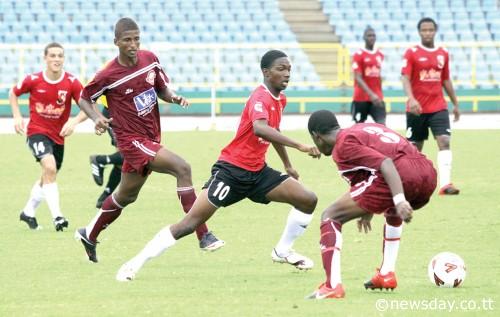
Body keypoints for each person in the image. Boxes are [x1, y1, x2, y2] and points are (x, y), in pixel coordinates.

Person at [115, 49, 320, 282]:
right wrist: (300, 145)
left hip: (257, 173)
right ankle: (134, 263)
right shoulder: (260, 98)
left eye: (289, 70)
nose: (287, 74)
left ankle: (282, 251)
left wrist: (287, 165)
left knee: (307, 199)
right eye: (281, 69)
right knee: (189, 224)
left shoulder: (279, 99)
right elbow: (260, 128)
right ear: (266, 72)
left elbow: (273, 132)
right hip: (231, 172)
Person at [74, 17, 224, 263]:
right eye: (127, 40)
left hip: (150, 135)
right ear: (116, 42)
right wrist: (96, 118)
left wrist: (173, 97)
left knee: (126, 195)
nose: (133, 44)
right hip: (132, 140)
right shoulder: (108, 74)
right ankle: (204, 235)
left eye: (136, 39)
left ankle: (89, 234)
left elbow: (161, 88)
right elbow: (84, 97)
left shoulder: (150, 59)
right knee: (182, 168)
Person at [306, 110, 437, 299]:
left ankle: (332, 286)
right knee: (391, 209)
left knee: (330, 216)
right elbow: (372, 170)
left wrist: (400, 199)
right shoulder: (363, 128)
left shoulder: (343, 145)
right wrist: (368, 209)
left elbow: (385, 163)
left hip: (400, 173)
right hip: (428, 173)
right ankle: (386, 274)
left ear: (316, 136)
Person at [10, 42, 87, 231]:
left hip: (58, 137)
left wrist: (74, 121)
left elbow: (88, 106)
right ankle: (58, 217)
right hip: (36, 132)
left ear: (64, 58)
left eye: (60, 56)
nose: (56, 59)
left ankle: (28, 212)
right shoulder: (34, 80)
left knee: (48, 175)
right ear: (45, 58)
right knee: (50, 167)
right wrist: (17, 116)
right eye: (52, 56)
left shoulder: (71, 82)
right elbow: (13, 92)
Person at [402, 17, 460, 195]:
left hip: (438, 107)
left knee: (444, 141)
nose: (427, 33)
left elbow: (445, 79)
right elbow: (405, 77)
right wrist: (411, 99)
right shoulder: (411, 53)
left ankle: (445, 184)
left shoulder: (443, 53)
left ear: (435, 31)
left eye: (430, 30)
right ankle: (410, 183)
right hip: (416, 110)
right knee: (414, 149)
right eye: (424, 30)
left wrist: (455, 103)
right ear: (419, 32)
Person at [89, 105, 124, 209]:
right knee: (130, 154)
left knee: (123, 162)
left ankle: (105, 197)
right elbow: (90, 98)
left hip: (127, 114)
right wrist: (98, 117)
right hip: (114, 114)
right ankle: (99, 160)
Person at [351, 26, 386, 125]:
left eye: (373, 35)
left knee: (382, 126)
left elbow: (379, 76)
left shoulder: (380, 55)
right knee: (358, 128)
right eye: (369, 35)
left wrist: (378, 93)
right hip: (361, 98)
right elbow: (357, 77)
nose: (372, 38)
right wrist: (371, 94)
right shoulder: (358, 55)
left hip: (377, 97)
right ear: (364, 37)